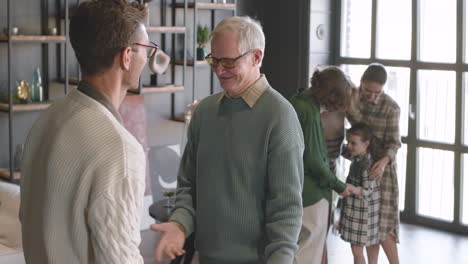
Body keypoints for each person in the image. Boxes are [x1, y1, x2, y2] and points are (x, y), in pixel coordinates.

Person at [151, 16, 305, 263]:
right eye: (214, 60)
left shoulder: (280, 116)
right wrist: (180, 224)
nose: (218, 70)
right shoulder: (205, 112)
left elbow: (286, 209)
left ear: (256, 57)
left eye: (228, 62)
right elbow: (189, 184)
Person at [19, 1, 153, 263]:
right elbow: (120, 258)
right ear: (127, 56)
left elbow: (29, 217)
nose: (147, 58)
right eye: (146, 49)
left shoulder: (47, 119)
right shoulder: (120, 148)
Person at [290, 66, 361, 264]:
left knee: (300, 246)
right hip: (312, 191)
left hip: (298, 186)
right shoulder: (310, 111)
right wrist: (340, 186)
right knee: (308, 251)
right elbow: (314, 160)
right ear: (331, 97)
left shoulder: (299, 100)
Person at [346, 63, 401, 264]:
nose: (371, 96)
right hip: (360, 166)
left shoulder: (391, 108)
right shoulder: (354, 98)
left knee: (384, 224)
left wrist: (384, 161)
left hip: (382, 171)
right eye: (368, 90)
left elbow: (394, 144)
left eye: (377, 92)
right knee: (368, 225)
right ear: (362, 83)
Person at [340, 122, 381, 264]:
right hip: (356, 212)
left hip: (361, 215)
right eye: (348, 142)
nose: (349, 146)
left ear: (366, 144)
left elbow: (368, 190)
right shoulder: (358, 158)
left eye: (353, 143)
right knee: (356, 250)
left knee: (357, 251)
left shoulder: (366, 166)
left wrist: (351, 188)